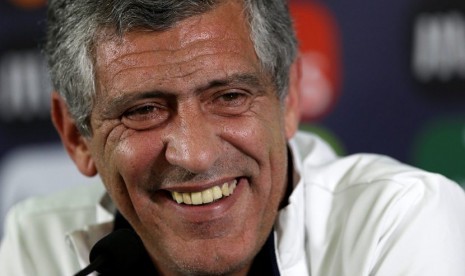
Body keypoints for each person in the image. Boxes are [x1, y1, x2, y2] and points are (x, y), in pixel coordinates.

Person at [1, 0, 465, 275]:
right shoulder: (36, 246)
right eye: (143, 110)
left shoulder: (398, 225)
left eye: (228, 96)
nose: (197, 154)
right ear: (76, 135)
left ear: (287, 99)